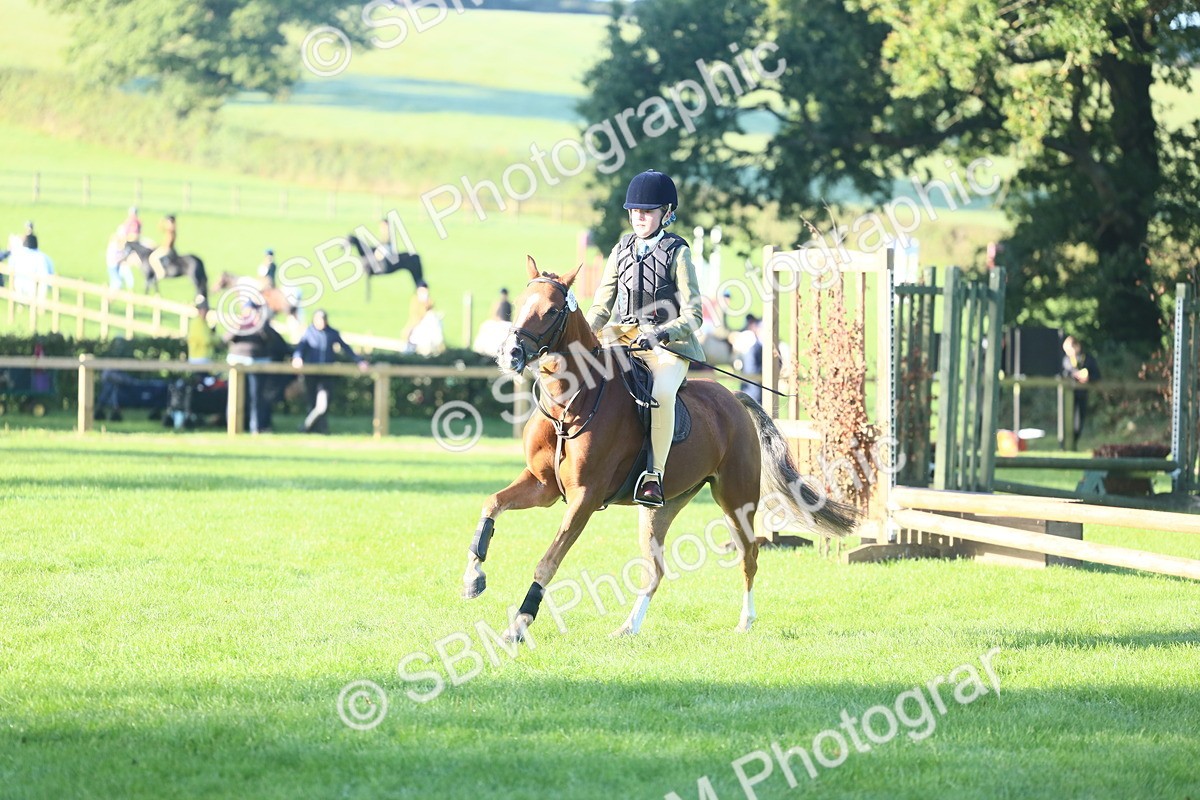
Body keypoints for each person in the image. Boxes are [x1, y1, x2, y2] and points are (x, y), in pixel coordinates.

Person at [585, 169, 704, 507]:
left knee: (661, 394)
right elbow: (601, 307)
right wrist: (583, 337)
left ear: (666, 213)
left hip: (668, 348)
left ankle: (654, 476)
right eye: (635, 211)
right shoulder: (620, 250)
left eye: (647, 211)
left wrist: (663, 332)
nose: (639, 217)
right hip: (623, 339)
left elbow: (694, 315)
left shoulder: (678, 253)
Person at [292, 310, 369, 434]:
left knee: (322, 406)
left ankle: (306, 427)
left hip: (326, 375)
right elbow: (301, 347)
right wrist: (297, 357)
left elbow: (346, 348)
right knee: (311, 403)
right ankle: (318, 429)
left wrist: (359, 360)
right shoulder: (309, 333)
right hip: (311, 374)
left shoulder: (332, 333)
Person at [1061, 335, 1101, 441]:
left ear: (1077, 346)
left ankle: (1075, 440)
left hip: (1082, 394)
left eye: (1069, 350)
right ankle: (1064, 442)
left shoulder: (1088, 359)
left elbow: (1097, 376)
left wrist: (1088, 378)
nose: (1068, 353)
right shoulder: (1066, 360)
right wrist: (1074, 375)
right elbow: (1063, 374)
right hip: (1068, 394)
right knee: (1066, 418)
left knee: (1079, 419)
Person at [735, 315, 764, 404]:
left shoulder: (756, 347)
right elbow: (751, 371)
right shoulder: (754, 348)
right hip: (753, 390)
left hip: (753, 390)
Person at [187, 295, 220, 364]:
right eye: (203, 310)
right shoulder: (197, 323)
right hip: (198, 358)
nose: (205, 312)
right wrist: (216, 339)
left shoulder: (204, 323)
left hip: (203, 357)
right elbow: (206, 340)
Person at [149, 214, 177, 281]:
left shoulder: (170, 230)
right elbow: (160, 228)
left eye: (168, 222)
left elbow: (168, 243)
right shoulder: (172, 229)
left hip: (166, 249)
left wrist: (162, 220)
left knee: (153, 258)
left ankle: (161, 273)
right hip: (167, 248)